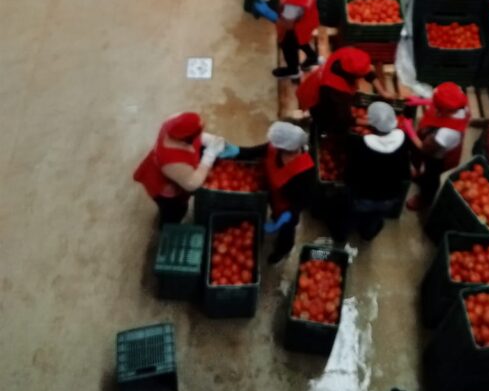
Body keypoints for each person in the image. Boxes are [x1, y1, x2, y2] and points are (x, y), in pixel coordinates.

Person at [133, 111, 235, 224]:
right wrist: (209, 155)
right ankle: (166, 225)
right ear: (187, 139)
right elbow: (192, 183)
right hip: (164, 186)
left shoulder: (174, 124)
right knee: (175, 210)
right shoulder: (172, 159)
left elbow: (193, 132)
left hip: (167, 169)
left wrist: (209, 139)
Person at [239, 122, 315, 264]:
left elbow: (306, 198)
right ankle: (276, 218)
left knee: (286, 232)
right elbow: (257, 151)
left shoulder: (305, 170)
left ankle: (282, 251)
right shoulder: (275, 149)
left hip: (288, 209)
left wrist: (289, 214)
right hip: (274, 198)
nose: (273, 146)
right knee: (276, 216)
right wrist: (237, 151)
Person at [346, 102, 411, 241]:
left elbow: (351, 172)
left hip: (364, 195)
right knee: (375, 217)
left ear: (371, 124)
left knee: (356, 214)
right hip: (389, 196)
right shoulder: (403, 139)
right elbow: (405, 170)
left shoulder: (362, 144)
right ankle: (367, 234)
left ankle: (350, 229)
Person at [402, 82, 470, 211]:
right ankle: (421, 177)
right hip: (437, 135)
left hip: (439, 155)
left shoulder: (447, 133)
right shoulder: (459, 105)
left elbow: (424, 148)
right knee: (425, 172)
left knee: (431, 177)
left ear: (444, 110)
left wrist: (409, 129)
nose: (435, 107)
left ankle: (425, 200)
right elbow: (440, 103)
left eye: (437, 106)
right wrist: (420, 101)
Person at [296, 46, 384, 133]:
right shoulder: (336, 89)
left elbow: (366, 71)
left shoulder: (345, 55)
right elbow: (345, 119)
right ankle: (321, 128)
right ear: (351, 75)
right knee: (327, 119)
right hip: (316, 98)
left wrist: (382, 92)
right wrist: (371, 123)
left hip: (316, 82)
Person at [259, 0, 320, 80]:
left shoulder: (292, 6)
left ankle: (293, 70)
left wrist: (268, 13)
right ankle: (313, 58)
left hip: (296, 27)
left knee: (288, 46)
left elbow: (287, 25)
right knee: (303, 40)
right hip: (310, 18)